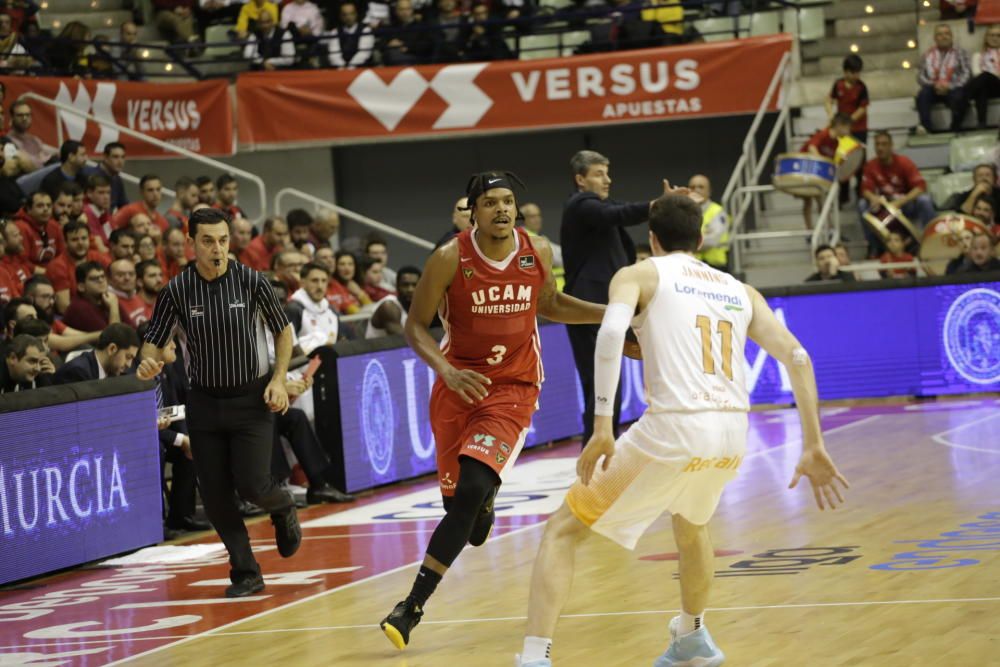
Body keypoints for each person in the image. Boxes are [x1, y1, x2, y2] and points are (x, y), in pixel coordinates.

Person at [516, 194, 849, 667]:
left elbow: (610, 335)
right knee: (692, 527)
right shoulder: (739, 289)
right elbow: (798, 357)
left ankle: (534, 657)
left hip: (673, 428)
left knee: (562, 532)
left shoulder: (638, 274)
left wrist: (603, 425)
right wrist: (813, 442)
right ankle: (692, 636)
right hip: (732, 433)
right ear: (700, 238)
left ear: (651, 238)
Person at [378, 171, 606, 650]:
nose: (502, 209)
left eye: (507, 201)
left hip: (514, 387)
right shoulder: (448, 258)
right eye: (490, 202)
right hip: (458, 387)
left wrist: (614, 315)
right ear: (473, 211)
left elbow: (552, 304)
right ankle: (479, 503)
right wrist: (446, 370)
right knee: (460, 509)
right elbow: (415, 327)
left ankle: (412, 605)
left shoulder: (536, 250)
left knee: (471, 490)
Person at [137, 207, 301, 599]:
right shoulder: (176, 290)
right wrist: (147, 360)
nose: (218, 249)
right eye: (208, 241)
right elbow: (154, 340)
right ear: (191, 243)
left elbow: (283, 332)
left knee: (253, 485)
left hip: (252, 399)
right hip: (204, 404)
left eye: (224, 240)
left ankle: (283, 507)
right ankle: (246, 572)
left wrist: (279, 379)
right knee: (214, 495)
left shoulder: (251, 281)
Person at [560, 149, 669, 448]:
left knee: (608, 389)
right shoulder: (581, 205)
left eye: (608, 172)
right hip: (589, 308)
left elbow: (618, 211)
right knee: (602, 390)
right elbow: (618, 214)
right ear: (580, 179)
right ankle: (594, 459)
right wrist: (658, 205)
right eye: (599, 173)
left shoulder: (598, 207)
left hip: (609, 310)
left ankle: (600, 455)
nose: (607, 179)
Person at [859, 131, 936, 257]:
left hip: (905, 205)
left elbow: (920, 187)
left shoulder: (904, 162)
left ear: (891, 146)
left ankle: (932, 240)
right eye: (877, 144)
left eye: (884, 144)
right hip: (884, 208)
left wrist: (900, 202)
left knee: (925, 200)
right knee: (862, 204)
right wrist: (873, 198)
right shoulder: (871, 165)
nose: (880, 148)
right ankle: (873, 246)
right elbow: (865, 190)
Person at [800, 113, 854, 230]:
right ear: (839, 125)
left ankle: (829, 228)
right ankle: (809, 230)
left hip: (818, 173)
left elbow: (832, 160)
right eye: (848, 127)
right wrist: (823, 163)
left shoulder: (837, 143)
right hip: (805, 168)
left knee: (822, 201)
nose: (849, 131)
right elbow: (812, 148)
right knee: (808, 201)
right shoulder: (823, 134)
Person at [915, 24, 971, 134]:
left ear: (951, 36)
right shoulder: (927, 55)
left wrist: (949, 86)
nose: (944, 37)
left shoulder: (960, 52)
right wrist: (934, 84)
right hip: (933, 88)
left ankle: (955, 128)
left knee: (960, 96)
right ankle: (926, 127)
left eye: (947, 34)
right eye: (940, 34)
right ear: (935, 38)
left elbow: (967, 73)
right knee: (923, 94)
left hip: (953, 87)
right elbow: (920, 76)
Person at [53, 322, 139, 383]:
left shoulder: (115, 371)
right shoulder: (78, 373)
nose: (129, 365)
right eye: (128, 357)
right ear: (112, 349)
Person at [687, 174, 729, 271]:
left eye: (701, 187)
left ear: (709, 191)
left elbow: (712, 241)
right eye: (692, 187)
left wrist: (686, 242)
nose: (696, 190)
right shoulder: (683, 211)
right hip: (691, 267)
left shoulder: (717, 211)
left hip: (715, 267)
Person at [366, 265, 419, 338]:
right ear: (397, 286)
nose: (410, 289)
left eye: (415, 285)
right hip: (378, 348)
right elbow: (402, 340)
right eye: (405, 285)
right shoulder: (389, 306)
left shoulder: (421, 305)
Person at [965, 24, 1000, 129]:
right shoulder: (978, 56)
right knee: (981, 88)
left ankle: (964, 97)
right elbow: (976, 74)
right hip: (987, 87)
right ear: (986, 38)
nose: (995, 38)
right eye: (992, 35)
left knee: (984, 76)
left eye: (998, 35)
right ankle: (982, 124)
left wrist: (991, 75)